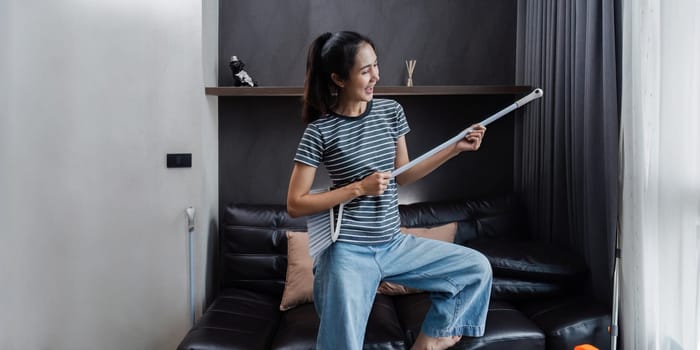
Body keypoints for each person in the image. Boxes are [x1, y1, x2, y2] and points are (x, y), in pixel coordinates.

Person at [287, 31, 492, 350]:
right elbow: (296, 204)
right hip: (347, 251)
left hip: (392, 242)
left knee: (475, 268)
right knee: (341, 343)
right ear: (339, 79)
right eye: (365, 70)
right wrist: (358, 188)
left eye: (376, 66)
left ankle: (428, 343)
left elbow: (405, 175)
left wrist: (456, 148)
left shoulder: (390, 111)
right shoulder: (320, 131)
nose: (376, 76)